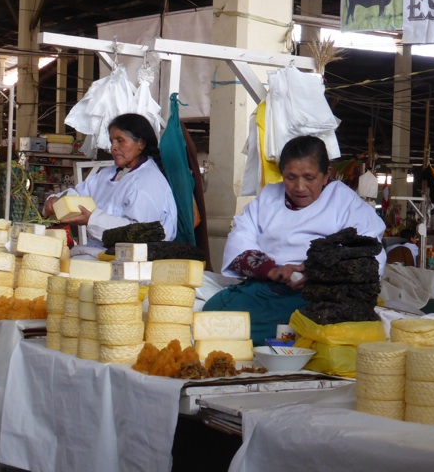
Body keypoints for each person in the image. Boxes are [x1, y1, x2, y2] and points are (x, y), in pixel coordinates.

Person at [203, 135, 387, 345]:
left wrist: (313, 272)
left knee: (300, 325)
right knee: (212, 313)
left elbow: (369, 253)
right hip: (268, 287)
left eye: (309, 178)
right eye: (291, 177)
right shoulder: (269, 197)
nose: (299, 187)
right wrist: (271, 270)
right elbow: (241, 236)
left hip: (320, 293)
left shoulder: (346, 202)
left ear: (326, 175)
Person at [43, 113, 177, 258]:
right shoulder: (107, 174)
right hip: (98, 253)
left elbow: (140, 233)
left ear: (141, 144)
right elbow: (78, 194)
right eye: (112, 141)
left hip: (129, 260)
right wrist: (56, 200)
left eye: (120, 141)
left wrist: (92, 220)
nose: (113, 147)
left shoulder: (148, 181)